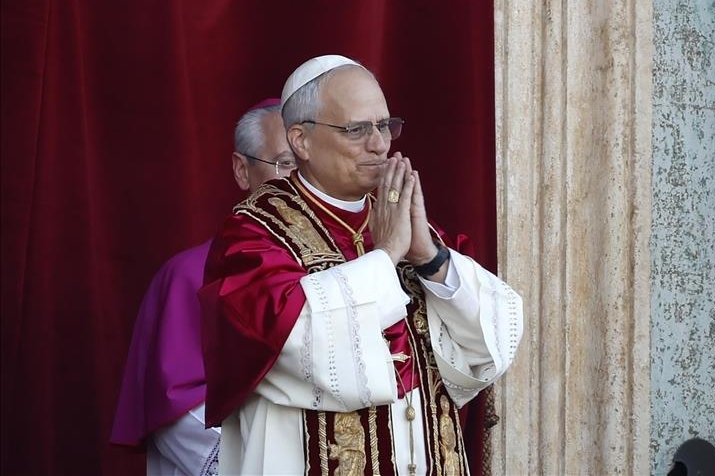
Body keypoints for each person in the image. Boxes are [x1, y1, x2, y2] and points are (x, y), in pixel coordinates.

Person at [199, 55, 524, 476]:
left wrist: (430, 259)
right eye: (357, 130)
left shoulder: (408, 226)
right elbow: (292, 343)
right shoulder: (256, 232)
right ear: (301, 141)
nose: (380, 144)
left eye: (385, 125)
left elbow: (490, 346)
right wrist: (385, 257)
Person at [110, 99, 294, 476]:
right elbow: (178, 414)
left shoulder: (349, 271)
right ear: (243, 171)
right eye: (286, 164)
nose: (298, 183)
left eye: (309, 168)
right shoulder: (189, 276)